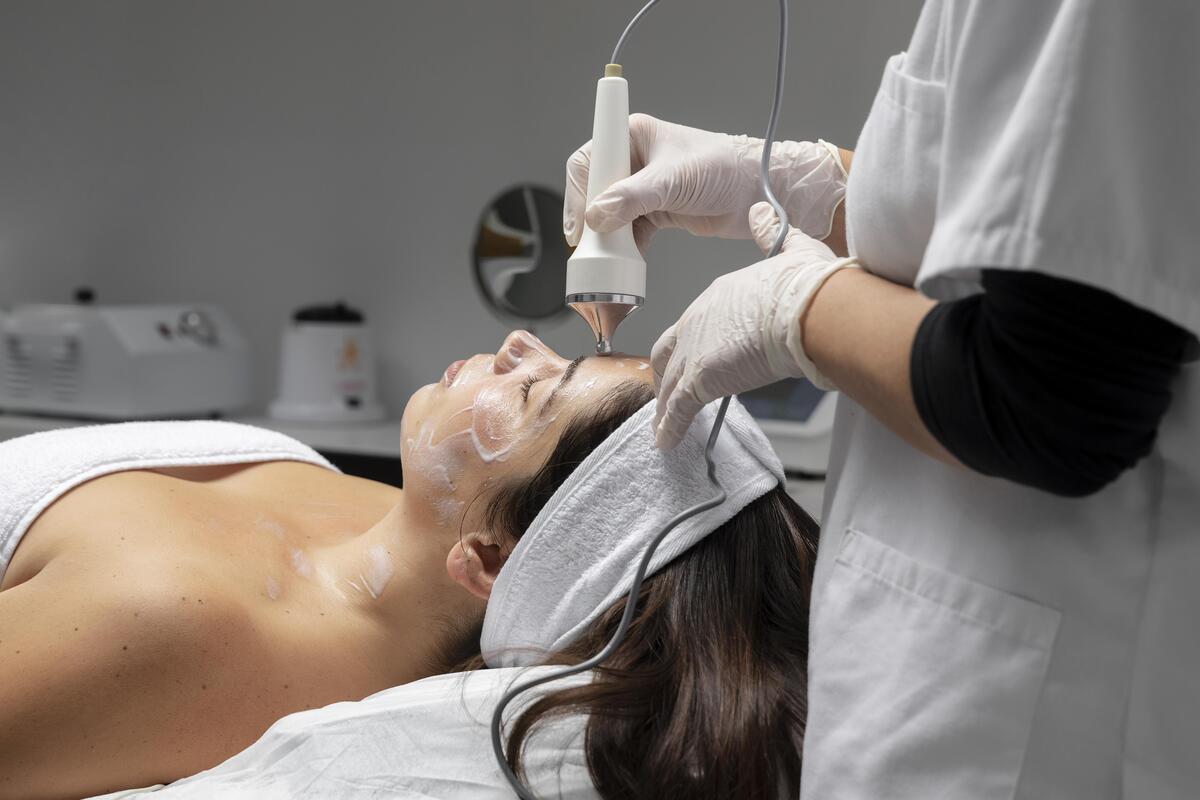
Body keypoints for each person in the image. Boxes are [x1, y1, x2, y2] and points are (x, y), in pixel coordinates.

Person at [564, 1, 1200, 796]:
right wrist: (813, 187)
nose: (521, 346)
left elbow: (1061, 392)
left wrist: (799, 312)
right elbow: (1033, 210)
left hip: (1039, 720)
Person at [0, 330, 817, 800]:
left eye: (533, 393)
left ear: (487, 560)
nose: (517, 345)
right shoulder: (379, 509)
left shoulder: (178, 628)